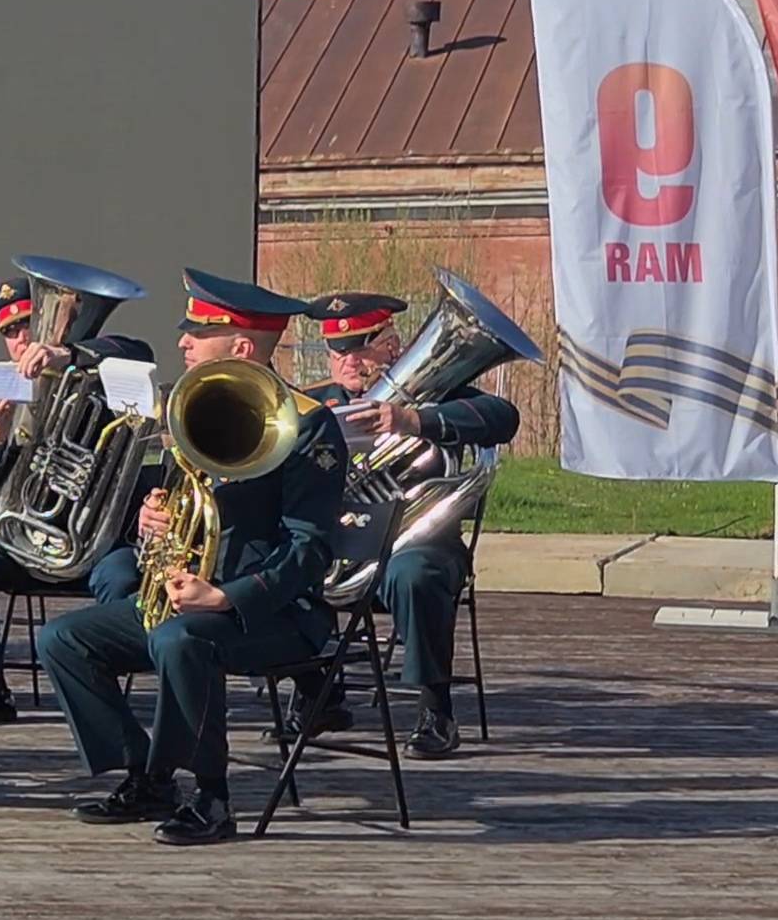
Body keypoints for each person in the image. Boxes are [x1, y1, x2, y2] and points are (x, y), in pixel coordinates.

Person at [37, 270, 351, 846]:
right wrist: (151, 524)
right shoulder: (194, 405)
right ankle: (147, 774)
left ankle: (212, 797)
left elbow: (310, 549)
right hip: (186, 598)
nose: (182, 342)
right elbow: (186, 508)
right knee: (63, 640)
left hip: (272, 613)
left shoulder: (307, 424)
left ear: (241, 346)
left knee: (181, 641)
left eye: (197, 332)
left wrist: (229, 596)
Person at [295, 288, 517, 760]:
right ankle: (317, 691)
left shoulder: (437, 398)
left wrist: (413, 420)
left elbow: (503, 417)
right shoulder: (312, 405)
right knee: (282, 564)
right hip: (340, 545)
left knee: (415, 575)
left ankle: (435, 709)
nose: (348, 362)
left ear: (392, 347)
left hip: (415, 542)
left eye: (361, 348)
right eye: (338, 352)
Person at [0, 273, 155, 724]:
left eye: (29, 324)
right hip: (26, 536)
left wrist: (67, 356)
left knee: (122, 578)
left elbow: (140, 352)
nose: (23, 339)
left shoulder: (103, 370)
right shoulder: (6, 385)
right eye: (10, 332)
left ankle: (101, 697)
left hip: (98, 543)